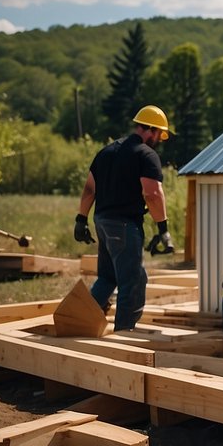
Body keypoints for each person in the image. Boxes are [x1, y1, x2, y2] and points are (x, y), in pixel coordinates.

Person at [74, 105, 175, 331]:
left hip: (102, 221)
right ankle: (125, 333)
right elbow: (153, 193)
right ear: (152, 130)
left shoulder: (106, 152)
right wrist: (163, 229)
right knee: (133, 281)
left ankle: (77, 320)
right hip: (123, 225)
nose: (159, 140)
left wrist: (81, 219)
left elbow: (90, 189)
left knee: (108, 278)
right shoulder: (146, 155)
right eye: (159, 134)